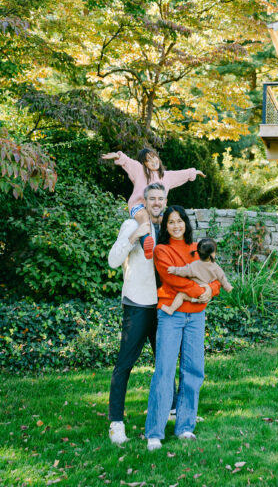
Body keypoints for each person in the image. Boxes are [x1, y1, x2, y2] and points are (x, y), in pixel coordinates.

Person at [144, 206, 220, 451]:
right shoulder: (162, 250)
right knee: (164, 372)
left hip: (196, 317)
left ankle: (185, 427)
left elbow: (215, 275)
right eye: (171, 222)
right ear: (165, 227)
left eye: (180, 221)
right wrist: (201, 291)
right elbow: (173, 279)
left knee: (194, 370)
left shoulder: (198, 249)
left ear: (186, 223)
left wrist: (212, 290)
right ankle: (154, 432)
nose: (176, 226)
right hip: (171, 315)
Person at [107, 181, 167, 445]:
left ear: (165, 201)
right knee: (125, 364)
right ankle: (116, 423)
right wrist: (134, 235)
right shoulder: (132, 226)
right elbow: (113, 259)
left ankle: (172, 410)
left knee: (164, 362)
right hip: (137, 304)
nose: (157, 203)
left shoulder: (167, 227)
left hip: (164, 305)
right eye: (152, 198)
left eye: (160, 199)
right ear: (145, 201)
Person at [101, 147, 205, 223]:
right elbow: (128, 162)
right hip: (139, 207)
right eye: (148, 160)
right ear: (144, 164)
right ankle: (146, 243)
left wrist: (194, 172)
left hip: (156, 210)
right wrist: (118, 156)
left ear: (158, 157)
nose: (153, 161)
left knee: (167, 221)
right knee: (145, 218)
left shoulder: (166, 176)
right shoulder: (140, 171)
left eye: (153, 157)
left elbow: (181, 174)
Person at [162, 237, 233, 315]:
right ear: (213, 254)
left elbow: (184, 271)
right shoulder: (216, 267)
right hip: (206, 293)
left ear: (198, 253)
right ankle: (196, 300)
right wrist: (228, 287)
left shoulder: (194, 265)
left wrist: (174, 270)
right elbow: (222, 278)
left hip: (195, 291)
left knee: (181, 295)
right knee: (190, 296)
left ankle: (171, 309)